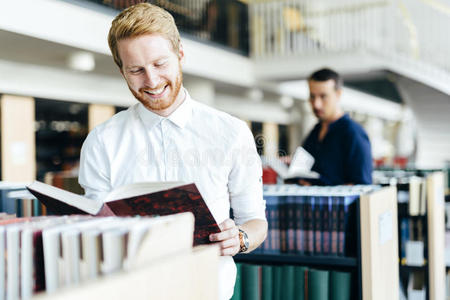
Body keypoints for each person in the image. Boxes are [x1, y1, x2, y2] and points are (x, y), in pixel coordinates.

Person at [78, 3, 267, 300]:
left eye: (160, 64)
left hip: (208, 288)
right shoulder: (102, 141)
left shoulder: (231, 133)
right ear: (121, 71)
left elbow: (256, 221)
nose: (151, 81)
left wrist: (240, 238)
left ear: (180, 55)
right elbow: (95, 226)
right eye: (136, 70)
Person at [301, 68, 373, 185]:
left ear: (338, 94)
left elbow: (361, 186)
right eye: (312, 97)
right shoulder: (315, 132)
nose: (316, 104)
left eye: (323, 96)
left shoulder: (353, 133)